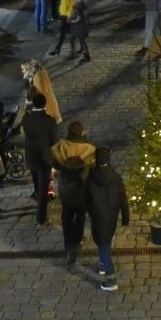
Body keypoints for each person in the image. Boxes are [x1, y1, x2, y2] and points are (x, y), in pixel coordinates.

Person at [51, 121, 97, 266]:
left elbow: (55, 163)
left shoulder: (61, 147)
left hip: (65, 188)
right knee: (81, 215)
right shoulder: (89, 149)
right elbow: (94, 171)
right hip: (82, 189)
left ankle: (68, 244)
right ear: (82, 132)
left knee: (66, 216)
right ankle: (77, 240)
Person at [86, 146, 130, 292]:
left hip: (98, 216)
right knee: (106, 241)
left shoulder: (91, 178)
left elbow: (86, 199)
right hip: (111, 216)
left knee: (103, 245)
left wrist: (89, 212)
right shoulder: (116, 177)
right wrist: (125, 217)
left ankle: (111, 280)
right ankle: (103, 266)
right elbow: (123, 198)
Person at [19, 91, 60, 224]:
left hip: (31, 156)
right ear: (45, 104)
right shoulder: (49, 120)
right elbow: (55, 141)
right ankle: (41, 218)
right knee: (43, 189)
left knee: (37, 183)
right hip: (44, 158)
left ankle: (37, 197)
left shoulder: (26, 119)